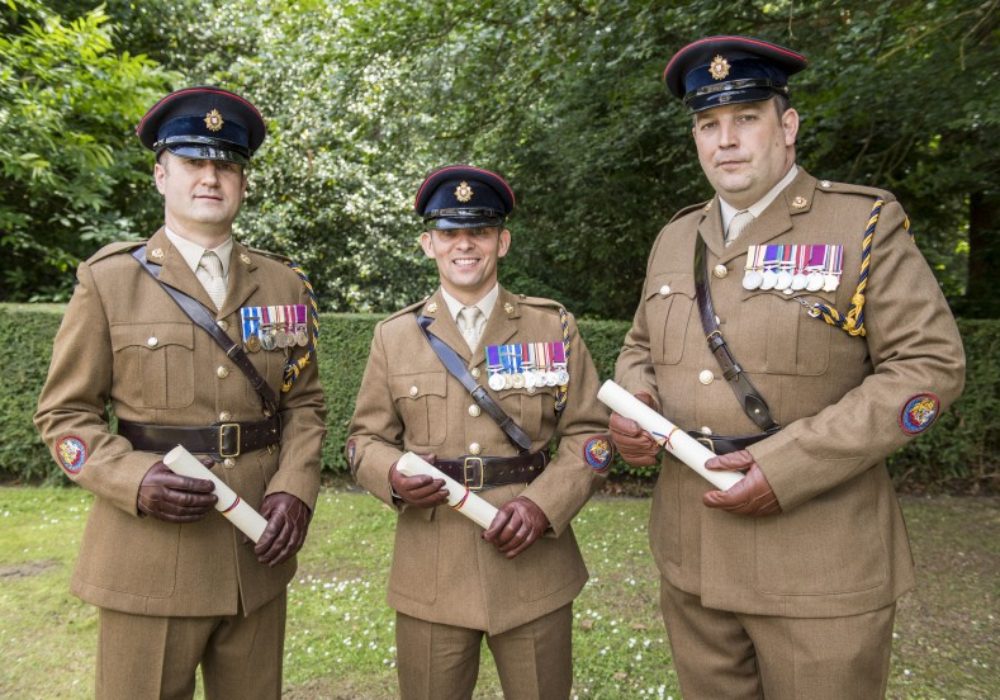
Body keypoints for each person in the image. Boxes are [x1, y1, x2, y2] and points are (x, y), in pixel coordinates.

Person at [610, 36, 965, 699]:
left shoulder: (861, 222)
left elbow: (928, 366)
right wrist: (637, 396)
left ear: (788, 126)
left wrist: (790, 464)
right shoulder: (675, 238)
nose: (727, 140)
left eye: (746, 118)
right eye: (709, 124)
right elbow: (641, 346)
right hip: (695, 556)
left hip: (818, 563)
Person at [34, 86, 327, 700]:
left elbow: (303, 404)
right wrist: (132, 479)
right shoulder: (110, 280)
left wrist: (295, 490)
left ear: (242, 183)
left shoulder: (283, 283)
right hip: (149, 557)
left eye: (226, 165)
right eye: (195, 162)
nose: (211, 178)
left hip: (256, 554)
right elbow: (65, 417)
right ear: (161, 175)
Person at [347, 164, 613, 699]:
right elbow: (361, 441)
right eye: (448, 233)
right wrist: (393, 475)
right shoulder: (394, 337)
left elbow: (591, 435)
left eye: (480, 232)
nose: (463, 246)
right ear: (428, 244)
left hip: (532, 560)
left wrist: (544, 506)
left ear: (503, 241)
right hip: (433, 562)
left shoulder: (551, 326)